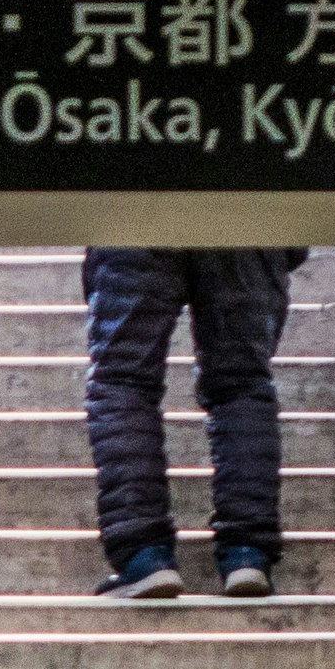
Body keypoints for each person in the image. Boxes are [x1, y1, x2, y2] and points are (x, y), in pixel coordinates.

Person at [79, 246, 311, 599]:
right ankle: (246, 554)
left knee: (123, 380)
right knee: (242, 384)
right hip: (249, 217)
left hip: (134, 214)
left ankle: (144, 555)